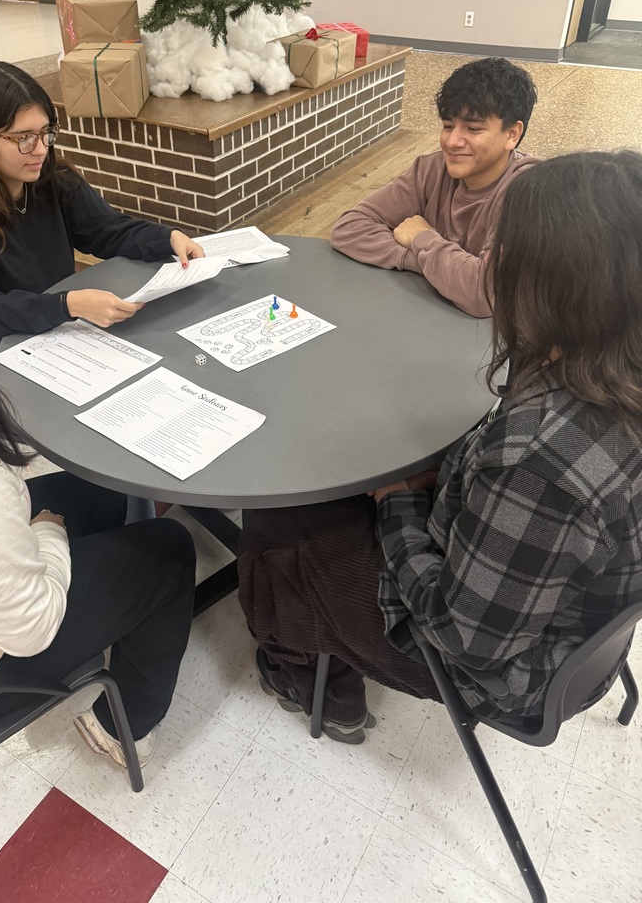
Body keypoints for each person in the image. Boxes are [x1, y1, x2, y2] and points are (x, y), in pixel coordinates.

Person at [238, 151, 642, 743]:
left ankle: (307, 677)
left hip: (495, 670)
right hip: (570, 616)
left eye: (506, 251)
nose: (489, 261)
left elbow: (460, 638)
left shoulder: (541, 458)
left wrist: (395, 502)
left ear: (556, 282)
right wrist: (450, 479)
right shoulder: (607, 372)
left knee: (275, 527)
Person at [0, 239, 196, 768]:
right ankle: (125, 726)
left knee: (95, 488)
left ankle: (120, 608)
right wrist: (47, 533)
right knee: (170, 549)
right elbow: (32, 630)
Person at [0, 60, 204, 371]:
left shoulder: (53, 178)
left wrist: (168, 237)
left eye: (46, 133)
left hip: (62, 335)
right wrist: (69, 304)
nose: (40, 150)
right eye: (22, 138)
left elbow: (107, 230)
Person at [330, 56, 538, 318]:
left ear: (512, 134)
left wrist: (421, 238)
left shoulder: (531, 193)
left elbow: (482, 294)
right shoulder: (430, 169)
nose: (452, 141)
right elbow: (348, 228)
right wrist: (426, 260)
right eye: (448, 126)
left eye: (473, 129)